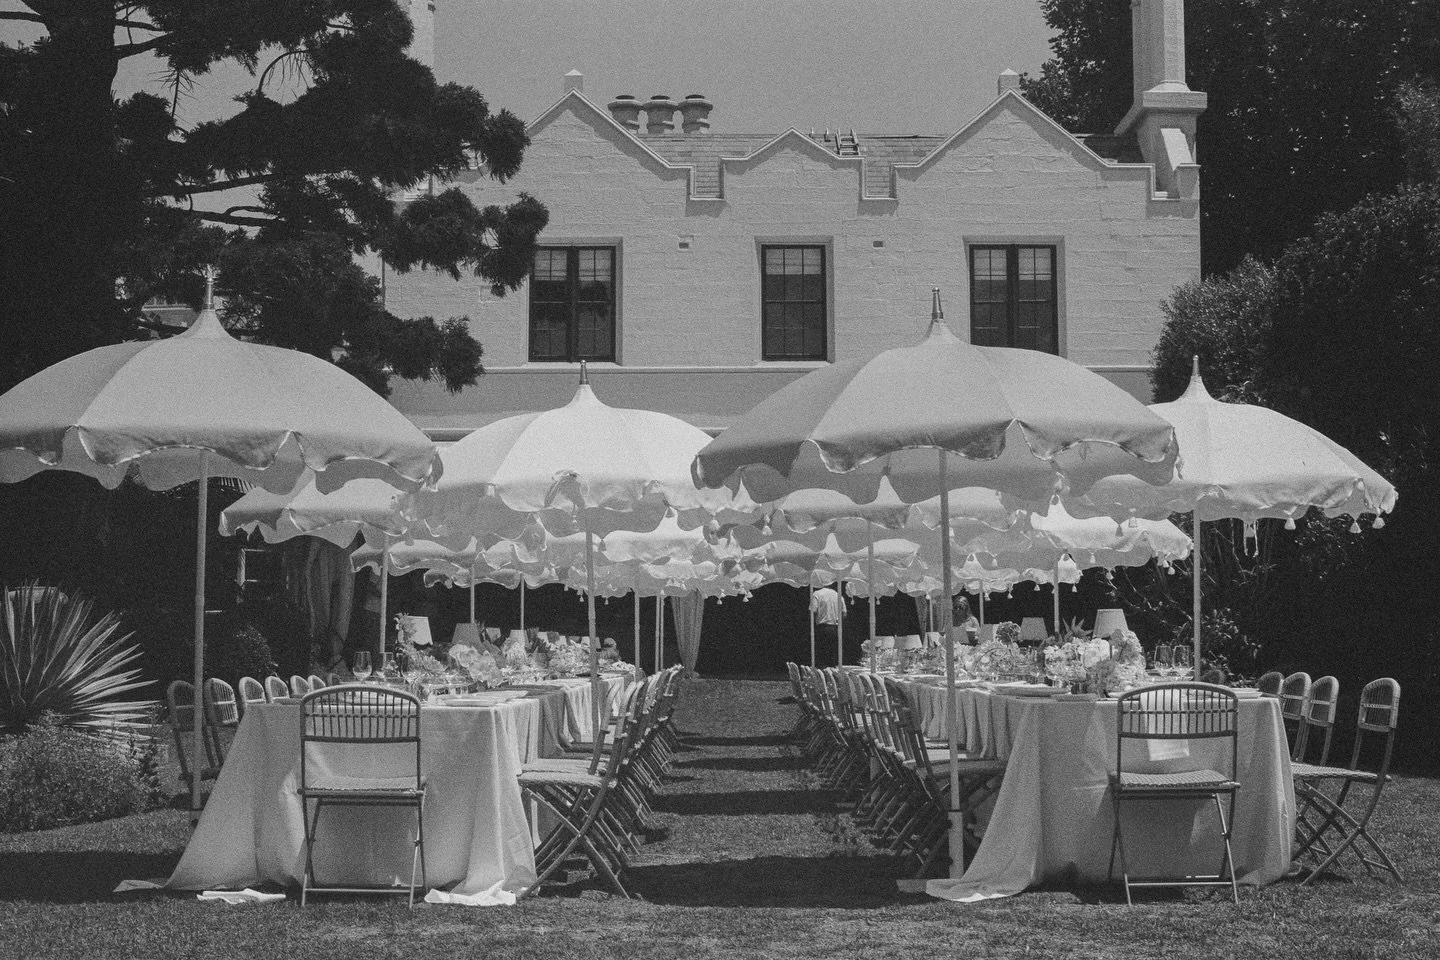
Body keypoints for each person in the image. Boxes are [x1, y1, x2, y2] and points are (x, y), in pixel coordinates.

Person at [810, 584, 842, 665]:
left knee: (821, 655)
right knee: (833, 655)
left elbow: (813, 611)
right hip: (835, 628)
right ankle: (832, 675)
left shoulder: (817, 594)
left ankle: (822, 675)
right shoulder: (837, 594)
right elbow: (844, 613)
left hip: (822, 628)